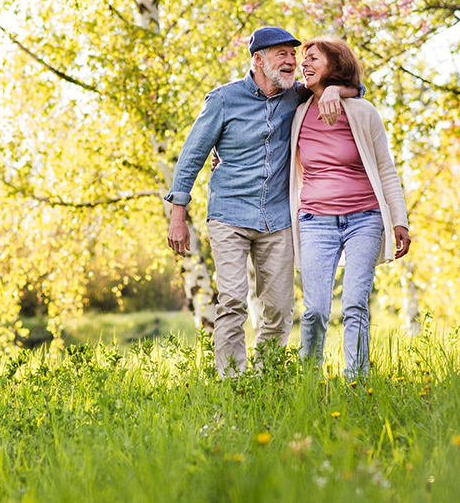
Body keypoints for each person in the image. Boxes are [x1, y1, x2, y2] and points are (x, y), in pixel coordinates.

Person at [165, 26, 361, 377]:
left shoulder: (295, 96)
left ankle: (265, 381)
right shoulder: (223, 99)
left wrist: (333, 89)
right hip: (229, 216)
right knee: (232, 302)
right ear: (258, 60)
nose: (292, 62)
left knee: (279, 309)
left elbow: (357, 89)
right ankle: (232, 384)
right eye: (283, 54)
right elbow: (191, 156)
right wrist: (178, 215)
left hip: (278, 219)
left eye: (293, 54)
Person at [289, 35, 410, 379]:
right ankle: (309, 381)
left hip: (365, 219)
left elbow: (386, 168)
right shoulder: (296, 112)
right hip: (315, 221)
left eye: (313, 58)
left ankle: (357, 380)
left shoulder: (363, 111)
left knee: (355, 303)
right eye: (303, 59)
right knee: (314, 309)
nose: (304, 64)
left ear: (335, 64)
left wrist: (398, 219)